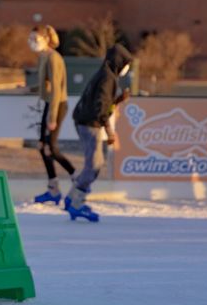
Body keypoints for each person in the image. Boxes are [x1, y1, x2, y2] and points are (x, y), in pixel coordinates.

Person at [65, 44, 133, 223]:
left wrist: (117, 100)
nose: (127, 68)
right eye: (126, 64)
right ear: (119, 62)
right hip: (89, 124)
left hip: (85, 121)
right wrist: (110, 132)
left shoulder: (105, 75)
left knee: (93, 164)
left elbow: (103, 103)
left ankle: (72, 198)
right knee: (94, 165)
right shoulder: (107, 78)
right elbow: (100, 107)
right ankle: (77, 203)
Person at [29, 25, 75, 204]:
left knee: (51, 148)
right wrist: (28, 88)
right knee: (42, 146)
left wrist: (53, 117)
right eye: (31, 38)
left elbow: (56, 89)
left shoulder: (54, 58)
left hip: (57, 105)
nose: (33, 42)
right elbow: (44, 85)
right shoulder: (43, 57)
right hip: (49, 103)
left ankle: (76, 177)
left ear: (46, 39)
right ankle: (53, 188)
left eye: (36, 38)